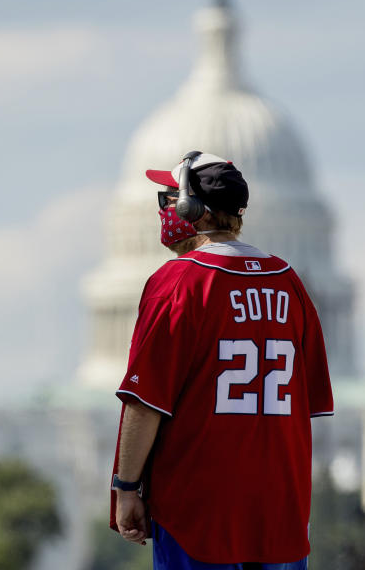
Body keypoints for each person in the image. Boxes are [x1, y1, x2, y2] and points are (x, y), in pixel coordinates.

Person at [109, 151, 334, 570]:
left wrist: (125, 488)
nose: (164, 209)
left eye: (168, 198)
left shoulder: (178, 282)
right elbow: (309, 402)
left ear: (190, 208)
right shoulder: (290, 282)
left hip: (198, 509)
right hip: (280, 513)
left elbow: (145, 401)